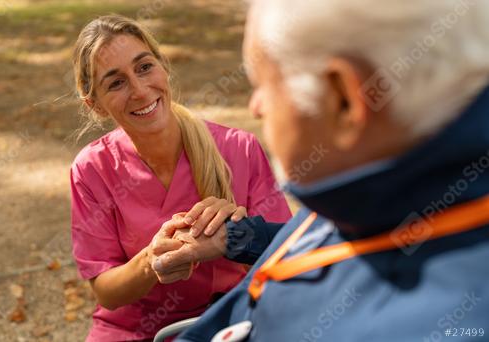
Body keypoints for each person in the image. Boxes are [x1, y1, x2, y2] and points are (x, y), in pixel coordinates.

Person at [150, 0, 489, 340]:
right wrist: (236, 238)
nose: (255, 107)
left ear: (343, 99)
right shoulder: (370, 177)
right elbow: (329, 244)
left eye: (264, 84)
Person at [69, 14, 291, 341]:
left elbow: (286, 258)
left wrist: (237, 236)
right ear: (96, 105)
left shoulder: (239, 149)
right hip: (132, 330)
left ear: (163, 66)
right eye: (116, 82)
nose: (140, 90)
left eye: (144, 67)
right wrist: (151, 260)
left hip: (230, 318)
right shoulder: (92, 169)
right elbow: (106, 292)